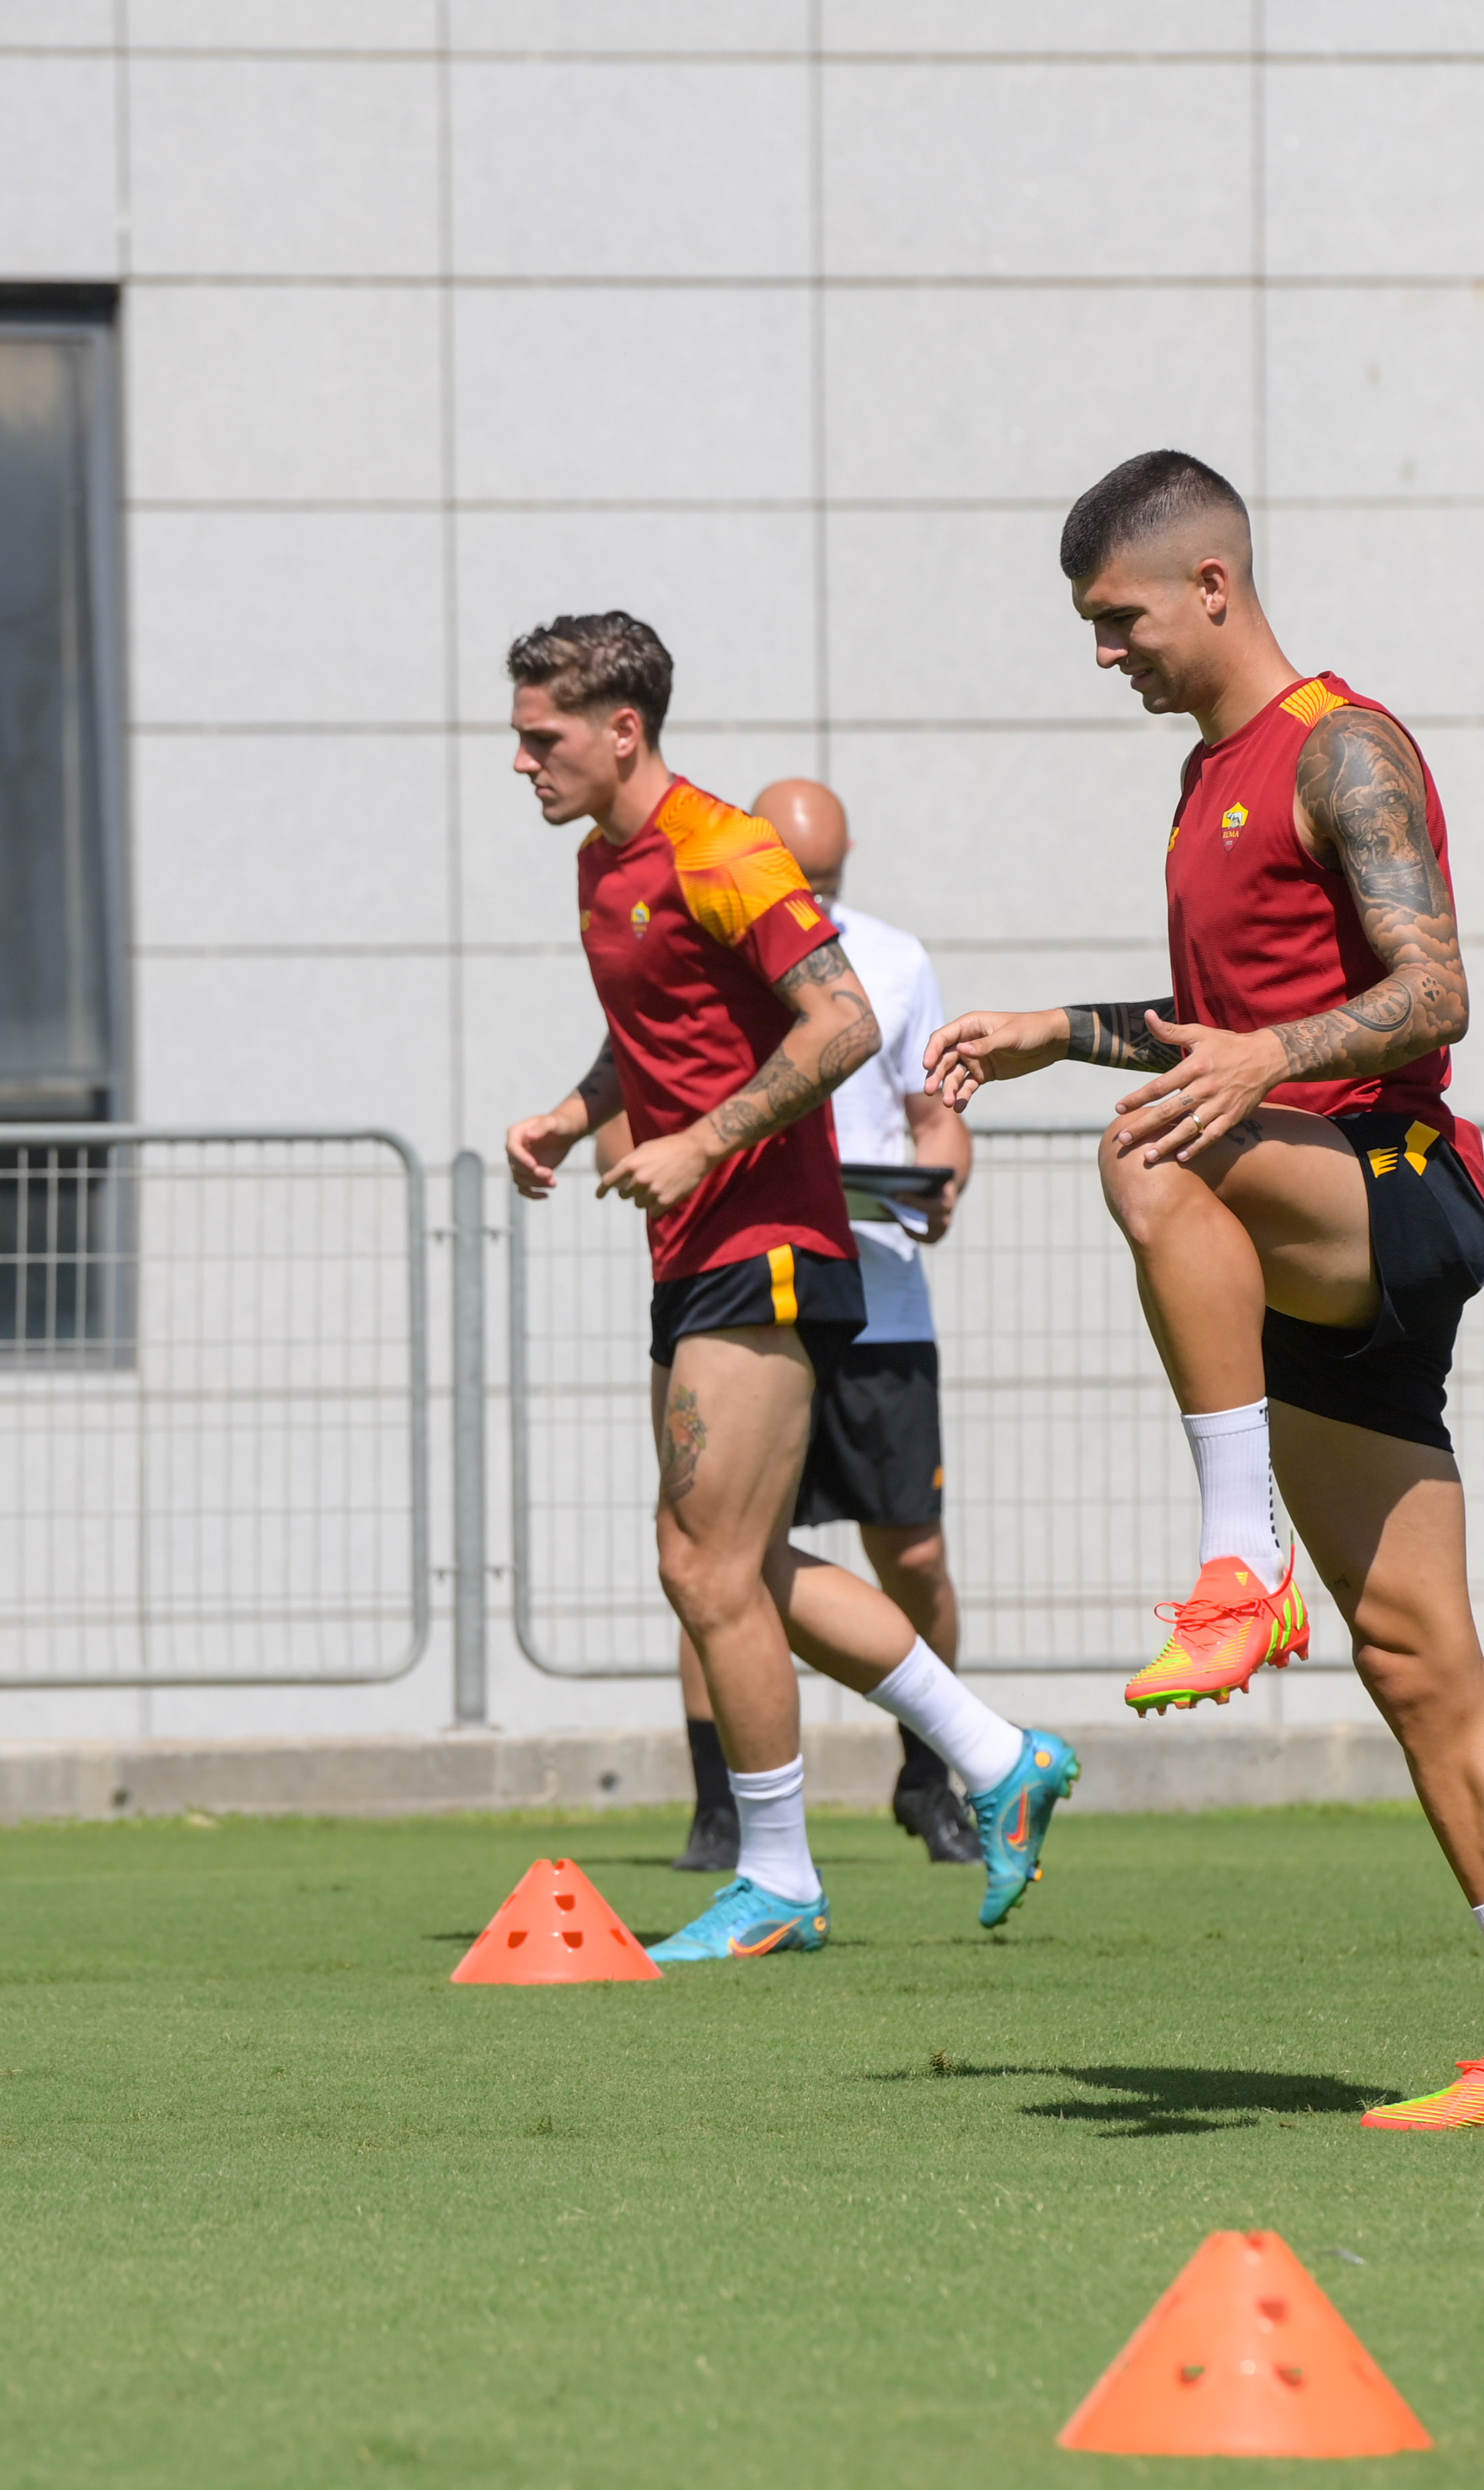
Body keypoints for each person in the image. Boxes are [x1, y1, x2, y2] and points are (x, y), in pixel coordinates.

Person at [925, 452, 1484, 2128]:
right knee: (1417, 1658)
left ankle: (1239, 1558)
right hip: (1297, 1227)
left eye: (1120, 619)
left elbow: (1431, 993)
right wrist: (1058, 1027)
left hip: (1392, 1194)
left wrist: (1235, 1063)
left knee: (1151, 1151)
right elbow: (1222, 1032)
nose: (1108, 652)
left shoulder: (1341, 746)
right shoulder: (1201, 780)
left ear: (1213, 585)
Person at [499, 613, 1079, 1959]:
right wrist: (577, 1108)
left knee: (702, 1566)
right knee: (738, 1562)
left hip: (765, 1237)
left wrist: (700, 1139)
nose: (520, 760)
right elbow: (664, 1022)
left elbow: (845, 1020)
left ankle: (780, 1875)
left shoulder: (723, 845)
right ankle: (996, 1756)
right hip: (696, 1240)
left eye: (542, 737)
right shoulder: (606, 862)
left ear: (622, 728)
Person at [637, 780, 985, 1874]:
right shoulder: (696, 928)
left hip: (868, 1292)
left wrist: (936, 1185)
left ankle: (945, 1771)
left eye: (827, 884)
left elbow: (936, 1120)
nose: (815, 908)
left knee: (905, 1552)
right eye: (799, 884)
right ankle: (729, 1812)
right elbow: (645, 1086)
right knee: (711, 1560)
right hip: (747, 1282)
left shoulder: (886, 962)